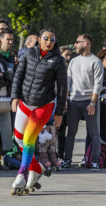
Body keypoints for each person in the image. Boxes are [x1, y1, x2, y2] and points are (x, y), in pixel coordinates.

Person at [10, 28, 67, 194]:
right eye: (46, 38)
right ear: (39, 40)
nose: (49, 42)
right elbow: (18, 75)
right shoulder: (29, 54)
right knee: (19, 140)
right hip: (25, 103)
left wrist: (59, 113)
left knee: (28, 139)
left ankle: (22, 174)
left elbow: (63, 88)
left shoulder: (58, 60)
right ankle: (36, 168)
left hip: (45, 105)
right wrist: (14, 97)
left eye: (52, 39)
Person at [61, 34, 103, 171]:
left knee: (94, 133)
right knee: (71, 132)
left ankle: (95, 161)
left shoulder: (96, 61)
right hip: (73, 101)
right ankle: (67, 160)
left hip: (88, 101)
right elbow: (68, 81)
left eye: (77, 42)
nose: (74, 45)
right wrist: (66, 100)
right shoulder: (73, 61)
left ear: (85, 43)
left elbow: (98, 84)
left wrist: (92, 103)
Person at [0, 31, 14, 167]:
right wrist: (6, 77)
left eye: (12, 40)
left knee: (6, 132)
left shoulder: (11, 57)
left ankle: (5, 159)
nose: (10, 42)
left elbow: (13, 77)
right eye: (8, 40)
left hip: (6, 99)